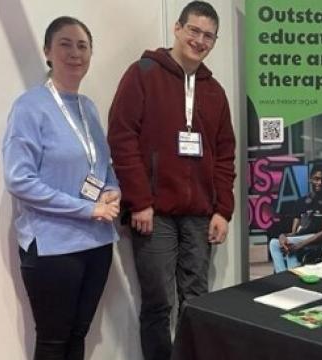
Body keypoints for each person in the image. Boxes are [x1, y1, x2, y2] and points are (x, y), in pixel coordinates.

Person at [107, 1, 235, 359]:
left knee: (197, 302)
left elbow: (225, 155)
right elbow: (122, 137)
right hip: (155, 214)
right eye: (193, 30)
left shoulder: (215, 92)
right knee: (159, 304)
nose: (200, 40)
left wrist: (223, 210)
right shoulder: (143, 73)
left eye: (208, 35)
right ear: (177, 29)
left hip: (199, 215)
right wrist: (139, 201)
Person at [2, 16, 120, 360]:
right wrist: (88, 208)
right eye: (65, 44)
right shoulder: (29, 107)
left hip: (97, 242)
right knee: (54, 341)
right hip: (53, 247)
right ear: (47, 52)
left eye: (82, 46)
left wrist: (113, 192)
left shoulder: (89, 108)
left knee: (79, 334)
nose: (75, 53)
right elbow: (19, 180)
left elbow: (103, 167)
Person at [269, 163, 322, 272]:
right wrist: (282, 236)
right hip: (299, 237)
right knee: (274, 243)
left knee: (289, 243)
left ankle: (286, 276)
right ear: (310, 179)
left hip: (318, 238)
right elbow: (294, 232)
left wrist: (300, 244)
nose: (319, 183)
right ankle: (286, 274)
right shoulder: (300, 203)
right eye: (316, 179)